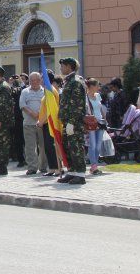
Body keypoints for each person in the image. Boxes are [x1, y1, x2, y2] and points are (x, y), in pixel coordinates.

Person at [57, 57, 87, 185]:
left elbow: (78, 104)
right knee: (68, 147)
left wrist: (72, 122)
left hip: (73, 121)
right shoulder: (68, 81)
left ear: (69, 66)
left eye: (63, 66)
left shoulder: (76, 81)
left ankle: (80, 174)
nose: (61, 68)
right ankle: (72, 171)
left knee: (76, 147)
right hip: (67, 120)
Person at [18, 72, 47, 175]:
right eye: (32, 80)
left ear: (40, 80)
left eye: (37, 80)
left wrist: (40, 115)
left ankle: (43, 166)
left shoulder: (45, 92)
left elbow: (47, 106)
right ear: (29, 81)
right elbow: (22, 105)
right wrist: (33, 113)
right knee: (30, 146)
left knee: (43, 146)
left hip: (42, 123)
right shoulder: (25, 91)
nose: (35, 82)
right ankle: (32, 167)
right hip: (28, 123)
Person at [85, 78, 107, 176]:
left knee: (98, 146)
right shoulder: (85, 97)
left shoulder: (98, 95)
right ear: (91, 86)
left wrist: (105, 119)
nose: (99, 87)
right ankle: (94, 166)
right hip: (91, 123)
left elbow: (101, 107)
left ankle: (95, 164)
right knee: (92, 145)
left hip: (100, 122)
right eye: (97, 85)